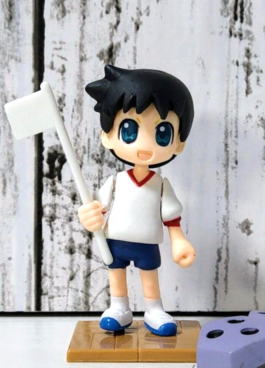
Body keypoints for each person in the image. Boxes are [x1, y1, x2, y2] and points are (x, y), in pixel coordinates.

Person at [78, 65, 196, 336]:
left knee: (149, 275)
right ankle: (119, 307)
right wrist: (88, 215)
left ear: (178, 143)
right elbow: (95, 206)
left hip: (146, 243)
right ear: (108, 136)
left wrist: (179, 241)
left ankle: (154, 309)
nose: (144, 145)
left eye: (162, 133)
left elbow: (172, 219)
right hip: (115, 241)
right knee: (116, 274)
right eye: (129, 130)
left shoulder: (160, 185)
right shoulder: (115, 182)